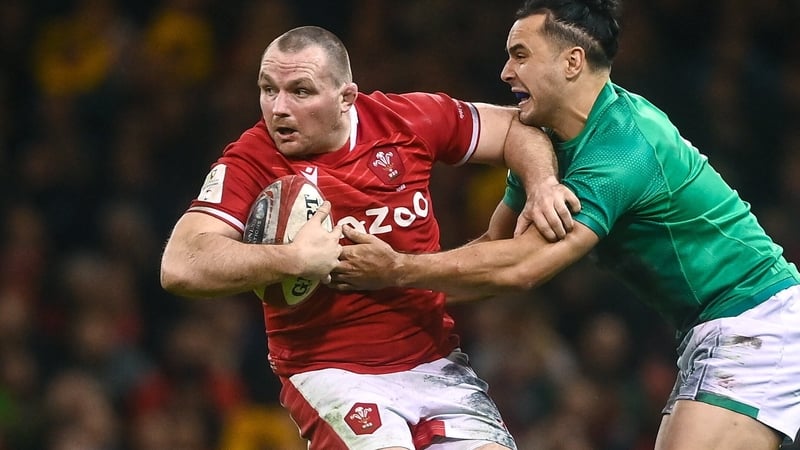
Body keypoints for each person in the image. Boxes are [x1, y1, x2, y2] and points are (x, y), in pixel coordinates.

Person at [331, 2, 800, 450]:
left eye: (521, 55)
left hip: (758, 320)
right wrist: (374, 294)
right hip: (712, 330)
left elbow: (522, 267)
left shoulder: (623, 148)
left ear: (572, 61)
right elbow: (494, 248)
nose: (505, 72)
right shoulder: (549, 147)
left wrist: (395, 270)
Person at [160, 25, 577, 450]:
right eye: (268, 89)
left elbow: (514, 127)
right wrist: (294, 259)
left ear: (346, 97)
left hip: (434, 361)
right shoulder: (252, 159)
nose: (279, 108)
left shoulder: (405, 119)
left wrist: (542, 183)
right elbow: (180, 263)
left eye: (300, 91)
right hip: (332, 372)